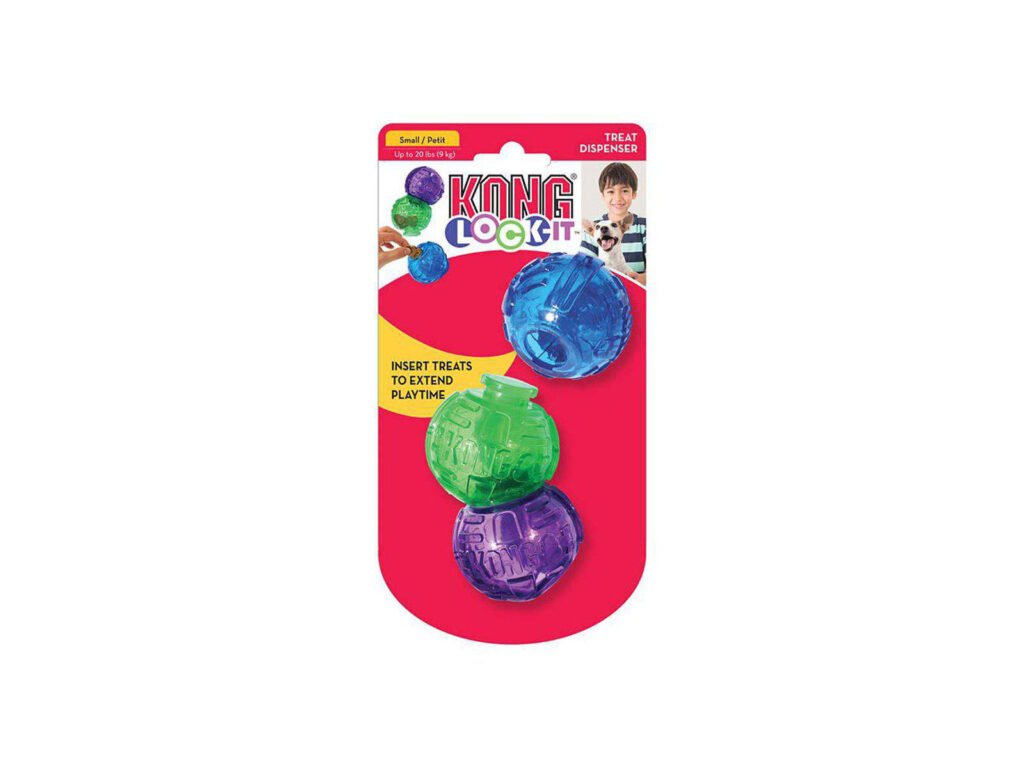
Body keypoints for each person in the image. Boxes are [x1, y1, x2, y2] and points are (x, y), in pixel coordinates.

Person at [580, 162, 647, 284]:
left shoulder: (645, 227)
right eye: (611, 191)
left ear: (634, 194)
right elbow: (583, 270)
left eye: (624, 190)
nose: (618, 198)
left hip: (638, 290)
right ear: (602, 195)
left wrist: (641, 280)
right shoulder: (594, 230)